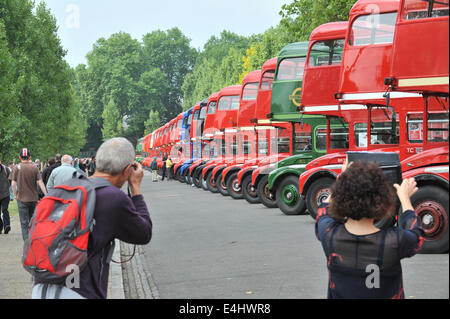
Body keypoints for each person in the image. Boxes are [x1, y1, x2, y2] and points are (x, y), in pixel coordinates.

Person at [31, 137, 152, 299]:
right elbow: (143, 233)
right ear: (128, 170)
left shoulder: (67, 188)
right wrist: (135, 188)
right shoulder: (113, 198)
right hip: (78, 291)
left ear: (97, 161)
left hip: (41, 287)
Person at [315, 158, 423, 299]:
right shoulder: (394, 241)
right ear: (382, 200)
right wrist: (404, 198)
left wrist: (343, 179)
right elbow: (417, 234)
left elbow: (325, 208)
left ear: (340, 196)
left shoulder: (329, 235)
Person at [11, 148, 47, 241]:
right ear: (29, 157)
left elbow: (13, 183)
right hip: (33, 199)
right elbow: (40, 182)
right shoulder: (35, 167)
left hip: (22, 199)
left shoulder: (16, 167)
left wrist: (16, 194)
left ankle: (27, 243)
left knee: (24, 223)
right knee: (33, 222)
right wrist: (46, 194)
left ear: (19, 157)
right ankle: (33, 240)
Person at [0, 160, 11, 234]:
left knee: (4, 209)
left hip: (5, 194)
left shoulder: (6, 169)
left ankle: (7, 225)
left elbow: (10, 180)